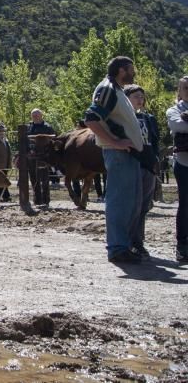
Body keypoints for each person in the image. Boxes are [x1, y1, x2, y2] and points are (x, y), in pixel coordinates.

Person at [84, 57, 144, 264]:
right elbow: (91, 118)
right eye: (131, 69)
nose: (133, 73)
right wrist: (115, 142)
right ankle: (118, 248)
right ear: (121, 70)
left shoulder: (116, 89)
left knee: (132, 202)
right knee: (120, 202)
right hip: (119, 154)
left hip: (129, 154)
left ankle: (123, 245)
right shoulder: (108, 88)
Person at [124, 85, 159, 261]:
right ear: (127, 98)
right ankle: (129, 242)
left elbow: (155, 141)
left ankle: (139, 242)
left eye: (141, 97)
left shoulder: (149, 118)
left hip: (148, 165)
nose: (140, 100)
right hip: (132, 164)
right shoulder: (123, 117)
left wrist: (155, 161)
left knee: (144, 206)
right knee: (133, 206)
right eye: (136, 96)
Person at [165, 75, 188, 263]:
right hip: (184, 164)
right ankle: (182, 246)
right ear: (179, 91)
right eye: (186, 88)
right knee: (185, 205)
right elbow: (177, 125)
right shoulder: (173, 110)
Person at [27, 109, 56, 205]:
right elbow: (25, 141)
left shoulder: (47, 127)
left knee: (45, 179)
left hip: (44, 158)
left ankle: (46, 199)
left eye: (37, 115)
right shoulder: (29, 127)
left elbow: (53, 141)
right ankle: (37, 199)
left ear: (41, 115)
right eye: (33, 115)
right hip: (32, 157)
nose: (35, 117)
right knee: (34, 178)